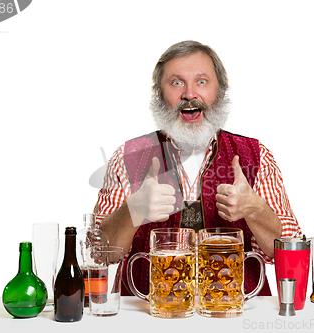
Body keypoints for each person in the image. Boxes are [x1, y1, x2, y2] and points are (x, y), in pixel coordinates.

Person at [93, 40, 302, 296]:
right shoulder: (128, 156)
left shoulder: (257, 156)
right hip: (147, 315)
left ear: (220, 91)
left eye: (201, 81)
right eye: (176, 82)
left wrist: (255, 209)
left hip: (235, 314)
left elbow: (289, 250)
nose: (189, 94)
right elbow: (97, 252)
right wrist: (133, 210)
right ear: (160, 93)